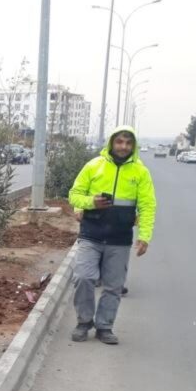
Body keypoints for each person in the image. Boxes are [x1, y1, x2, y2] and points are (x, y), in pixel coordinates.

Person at [68, 125, 156, 345]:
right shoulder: (94, 166)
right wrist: (91, 202)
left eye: (128, 143)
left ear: (133, 146)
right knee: (83, 278)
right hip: (91, 234)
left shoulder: (140, 172)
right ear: (111, 143)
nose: (123, 146)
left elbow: (147, 206)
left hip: (120, 239)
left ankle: (104, 326)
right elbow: (74, 195)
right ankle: (83, 322)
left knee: (113, 286)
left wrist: (144, 236)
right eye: (119, 141)